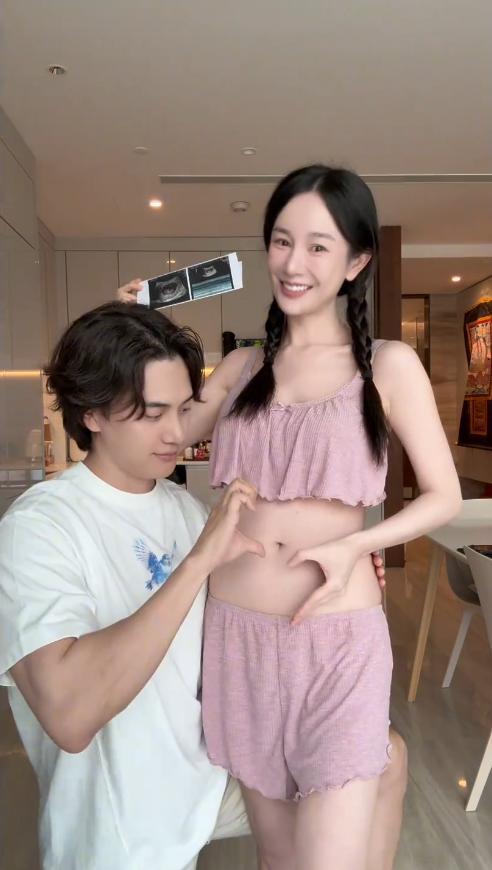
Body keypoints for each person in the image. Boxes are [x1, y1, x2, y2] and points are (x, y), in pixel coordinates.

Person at [119, 164, 462, 870]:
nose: (293, 263)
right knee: (277, 857)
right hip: (237, 638)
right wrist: (138, 329)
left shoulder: (388, 365)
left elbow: (443, 495)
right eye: (281, 241)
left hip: (337, 639)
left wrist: (357, 545)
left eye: (317, 245)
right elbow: (167, 431)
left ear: (356, 262)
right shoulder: (242, 369)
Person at [0, 303, 263, 870]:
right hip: (118, 838)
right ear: (92, 413)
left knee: (374, 764)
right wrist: (197, 563)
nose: (177, 433)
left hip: (203, 789)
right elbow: (70, 714)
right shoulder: (39, 527)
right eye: (152, 413)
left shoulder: (183, 508)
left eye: (185, 409)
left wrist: (333, 565)